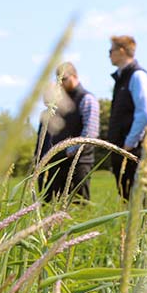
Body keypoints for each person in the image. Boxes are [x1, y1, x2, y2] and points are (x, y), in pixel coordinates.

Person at [39, 62, 100, 201]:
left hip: (79, 161)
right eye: (58, 80)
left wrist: (70, 150)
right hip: (59, 161)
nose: (61, 84)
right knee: (53, 203)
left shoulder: (87, 98)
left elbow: (90, 132)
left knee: (79, 203)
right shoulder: (61, 101)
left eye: (64, 79)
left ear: (74, 76)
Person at [106, 35, 147, 197]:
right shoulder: (121, 78)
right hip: (122, 148)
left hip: (133, 150)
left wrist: (129, 142)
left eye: (110, 50)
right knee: (125, 198)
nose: (108, 54)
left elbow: (144, 113)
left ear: (121, 51)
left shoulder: (137, 76)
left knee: (138, 200)